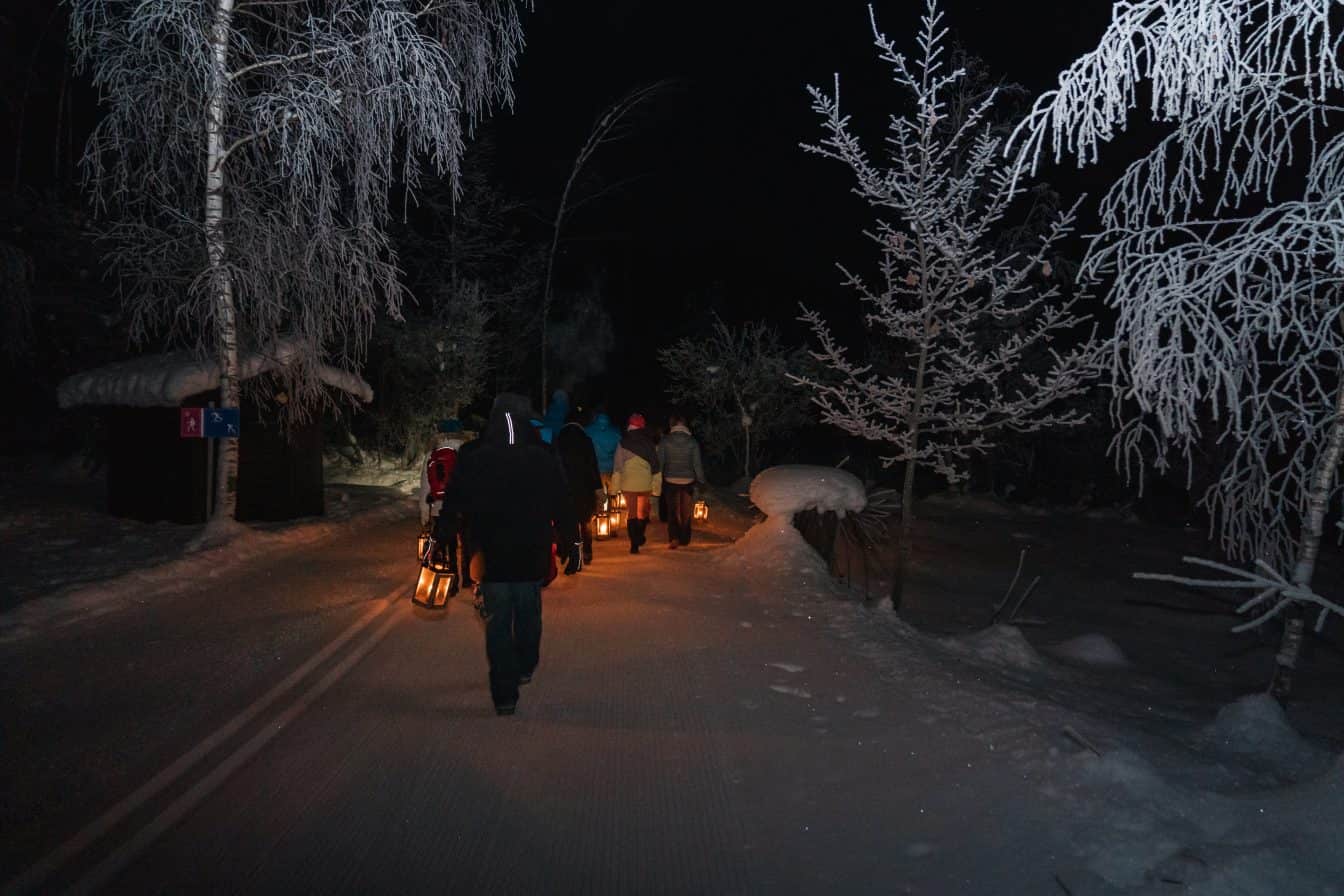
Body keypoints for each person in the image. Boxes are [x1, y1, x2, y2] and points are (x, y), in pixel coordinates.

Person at [450, 393, 576, 716]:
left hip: (489, 555)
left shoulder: (472, 454)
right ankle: (523, 665)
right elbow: (562, 500)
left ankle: (504, 692)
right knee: (528, 613)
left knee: (497, 623)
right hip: (529, 552)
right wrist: (570, 541)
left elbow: (455, 500)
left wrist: (441, 537)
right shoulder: (544, 455)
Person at [419, 418, 466, 593]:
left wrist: (424, 514)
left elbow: (425, 486)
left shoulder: (432, 454)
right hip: (461, 506)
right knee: (466, 543)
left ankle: (448, 582)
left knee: (448, 544)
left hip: (439, 508)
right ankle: (469, 579)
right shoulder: (466, 451)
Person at [554, 410, 604, 571]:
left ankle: (567, 551)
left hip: (564, 487)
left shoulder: (559, 440)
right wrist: (598, 488)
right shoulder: (586, 440)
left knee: (567, 522)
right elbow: (593, 466)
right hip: (585, 488)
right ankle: (587, 551)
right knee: (585, 521)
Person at [612, 412, 660, 554]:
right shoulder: (649, 443)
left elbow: (617, 467)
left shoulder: (622, 443)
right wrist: (656, 488)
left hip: (628, 484)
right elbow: (656, 467)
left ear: (629, 425)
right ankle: (639, 535)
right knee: (642, 513)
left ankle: (634, 543)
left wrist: (614, 489)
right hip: (645, 484)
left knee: (631, 513)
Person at [657, 412, 705, 548]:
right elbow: (697, 464)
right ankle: (685, 538)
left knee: (672, 510)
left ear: (672, 424)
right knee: (685, 511)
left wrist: (657, 478)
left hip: (670, 480)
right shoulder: (692, 441)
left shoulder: (665, 440)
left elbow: (660, 462)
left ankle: (674, 538)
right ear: (685, 424)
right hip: (688, 480)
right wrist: (701, 480)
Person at [584, 409, 622, 492]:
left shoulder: (587, 431)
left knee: (597, 496)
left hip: (594, 470)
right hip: (610, 469)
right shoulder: (616, 432)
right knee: (611, 494)